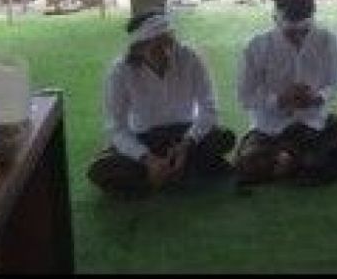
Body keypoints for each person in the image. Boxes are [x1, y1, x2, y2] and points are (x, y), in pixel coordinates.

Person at [235, 0, 337, 186]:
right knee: (246, 165)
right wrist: (280, 99)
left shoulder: (326, 40)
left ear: (312, 20)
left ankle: (292, 161)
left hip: (314, 122)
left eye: (304, 31)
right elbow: (245, 96)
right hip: (271, 128)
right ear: (276, 20)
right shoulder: (256, 46)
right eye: (292, 32)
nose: (299, 38)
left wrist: (317, 98)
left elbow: (334, 83)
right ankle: (307, 162)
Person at [87, 11, 237, 195]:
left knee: (224, 137)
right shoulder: (120, 71)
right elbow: (116, 128)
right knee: (99, 170)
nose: (167, 52)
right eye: (157, 47)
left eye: (169, 43)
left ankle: (163, 174)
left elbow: (209, 109)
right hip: (144, 139)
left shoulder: (189, 57)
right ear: (138, 49)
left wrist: (186, 144)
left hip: (186, 134)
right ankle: (174, 171)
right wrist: (147, 159)